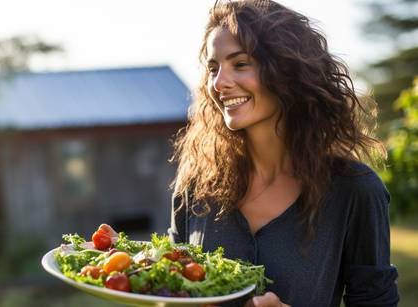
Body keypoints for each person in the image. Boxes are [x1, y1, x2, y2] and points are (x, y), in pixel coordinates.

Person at [167, 0, 400, 306]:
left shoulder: (355, 190)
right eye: (213, 68)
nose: (219, 82)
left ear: (286, 71)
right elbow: (169, 293)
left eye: (240, 64)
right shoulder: (196, 185)